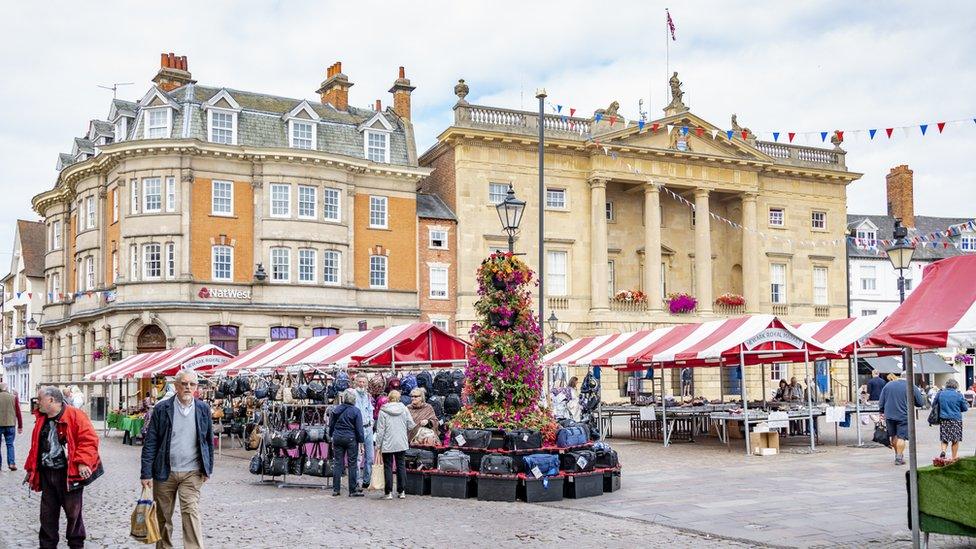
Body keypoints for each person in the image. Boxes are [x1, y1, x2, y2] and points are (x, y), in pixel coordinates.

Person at [140, 370, 214, 549]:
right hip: (165, 472)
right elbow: (151, 442)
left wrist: (208, 468)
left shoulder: (203, 409)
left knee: (191, 512)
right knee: (163, 517)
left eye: (192, 384)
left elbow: (208, 440)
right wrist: (146, 473)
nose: (188, 387)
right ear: (176, 385)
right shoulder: (162, 408)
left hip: (192, 471)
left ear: (196, 387)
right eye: (184, 383)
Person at [24, 386, 101, 549]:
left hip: (68, 475)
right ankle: (47, 545)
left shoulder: (75, 415)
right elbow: (36, 446)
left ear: (51, 400)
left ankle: (76, 544)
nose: (37, 403)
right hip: (47, 474)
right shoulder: (41, 418)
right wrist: (31, 469)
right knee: (47, 516)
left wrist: (82, 461)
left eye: (40, 399)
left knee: (73, 515)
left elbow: (89, 440)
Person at [375, 389, 415, 500]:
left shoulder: (383, 411)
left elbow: (380, 430)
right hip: (401, 441)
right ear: (399, 398)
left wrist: (378, 445)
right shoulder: (404, 409)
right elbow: (411, 425)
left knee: (388, 466)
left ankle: (388, 492)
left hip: (387, 442)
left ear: (388, 398)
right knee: (401, 466)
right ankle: (402, 491)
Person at [878, 372, 925, 465]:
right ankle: (899, 457)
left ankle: (897, 454)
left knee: (893, 436)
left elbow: (881, 401)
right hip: (903, 415)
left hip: (889, 415)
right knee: (901, 437)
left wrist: (882, 411)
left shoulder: (888, 385)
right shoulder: (911, 386)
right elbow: (920, 402)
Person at [329, 388, 365, 497]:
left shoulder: (336, 409)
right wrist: (361, 442)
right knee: (352, 464)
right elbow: (359, 429)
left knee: (337, 463)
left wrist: (331, 436)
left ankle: (336, 489)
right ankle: (352, 490)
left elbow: (331, 425)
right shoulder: (356, 411)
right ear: (354, 400)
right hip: (350, 438)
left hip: (338, 437)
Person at [932, 378, 969, 461]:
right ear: (956, 386)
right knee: (955, 439)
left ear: (946, 385)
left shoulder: (940, 393)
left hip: (944, 419)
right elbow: (965, 408)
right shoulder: (958, 395)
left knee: (944, 438)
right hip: (956, 419)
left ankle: (943, 451)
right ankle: (954, 457)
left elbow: (934, 404)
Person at [353, 374, 375, 490]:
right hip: (357, 428)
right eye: (360, 382)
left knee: (370, 457)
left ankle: (367, 480)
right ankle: (356, 481)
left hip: (368, 428)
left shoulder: (368, 396)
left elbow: (370, 410)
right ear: (356, 382)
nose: (362, 384)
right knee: (357, 457)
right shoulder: (352, 395)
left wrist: (371, 423)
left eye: (364, 382)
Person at [0, 382, 23, 470]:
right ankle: (11, 464)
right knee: (10, 445)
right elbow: (18, 413)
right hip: (10, 425)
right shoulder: (13, 398)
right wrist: (20, 426)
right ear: (7, 388)